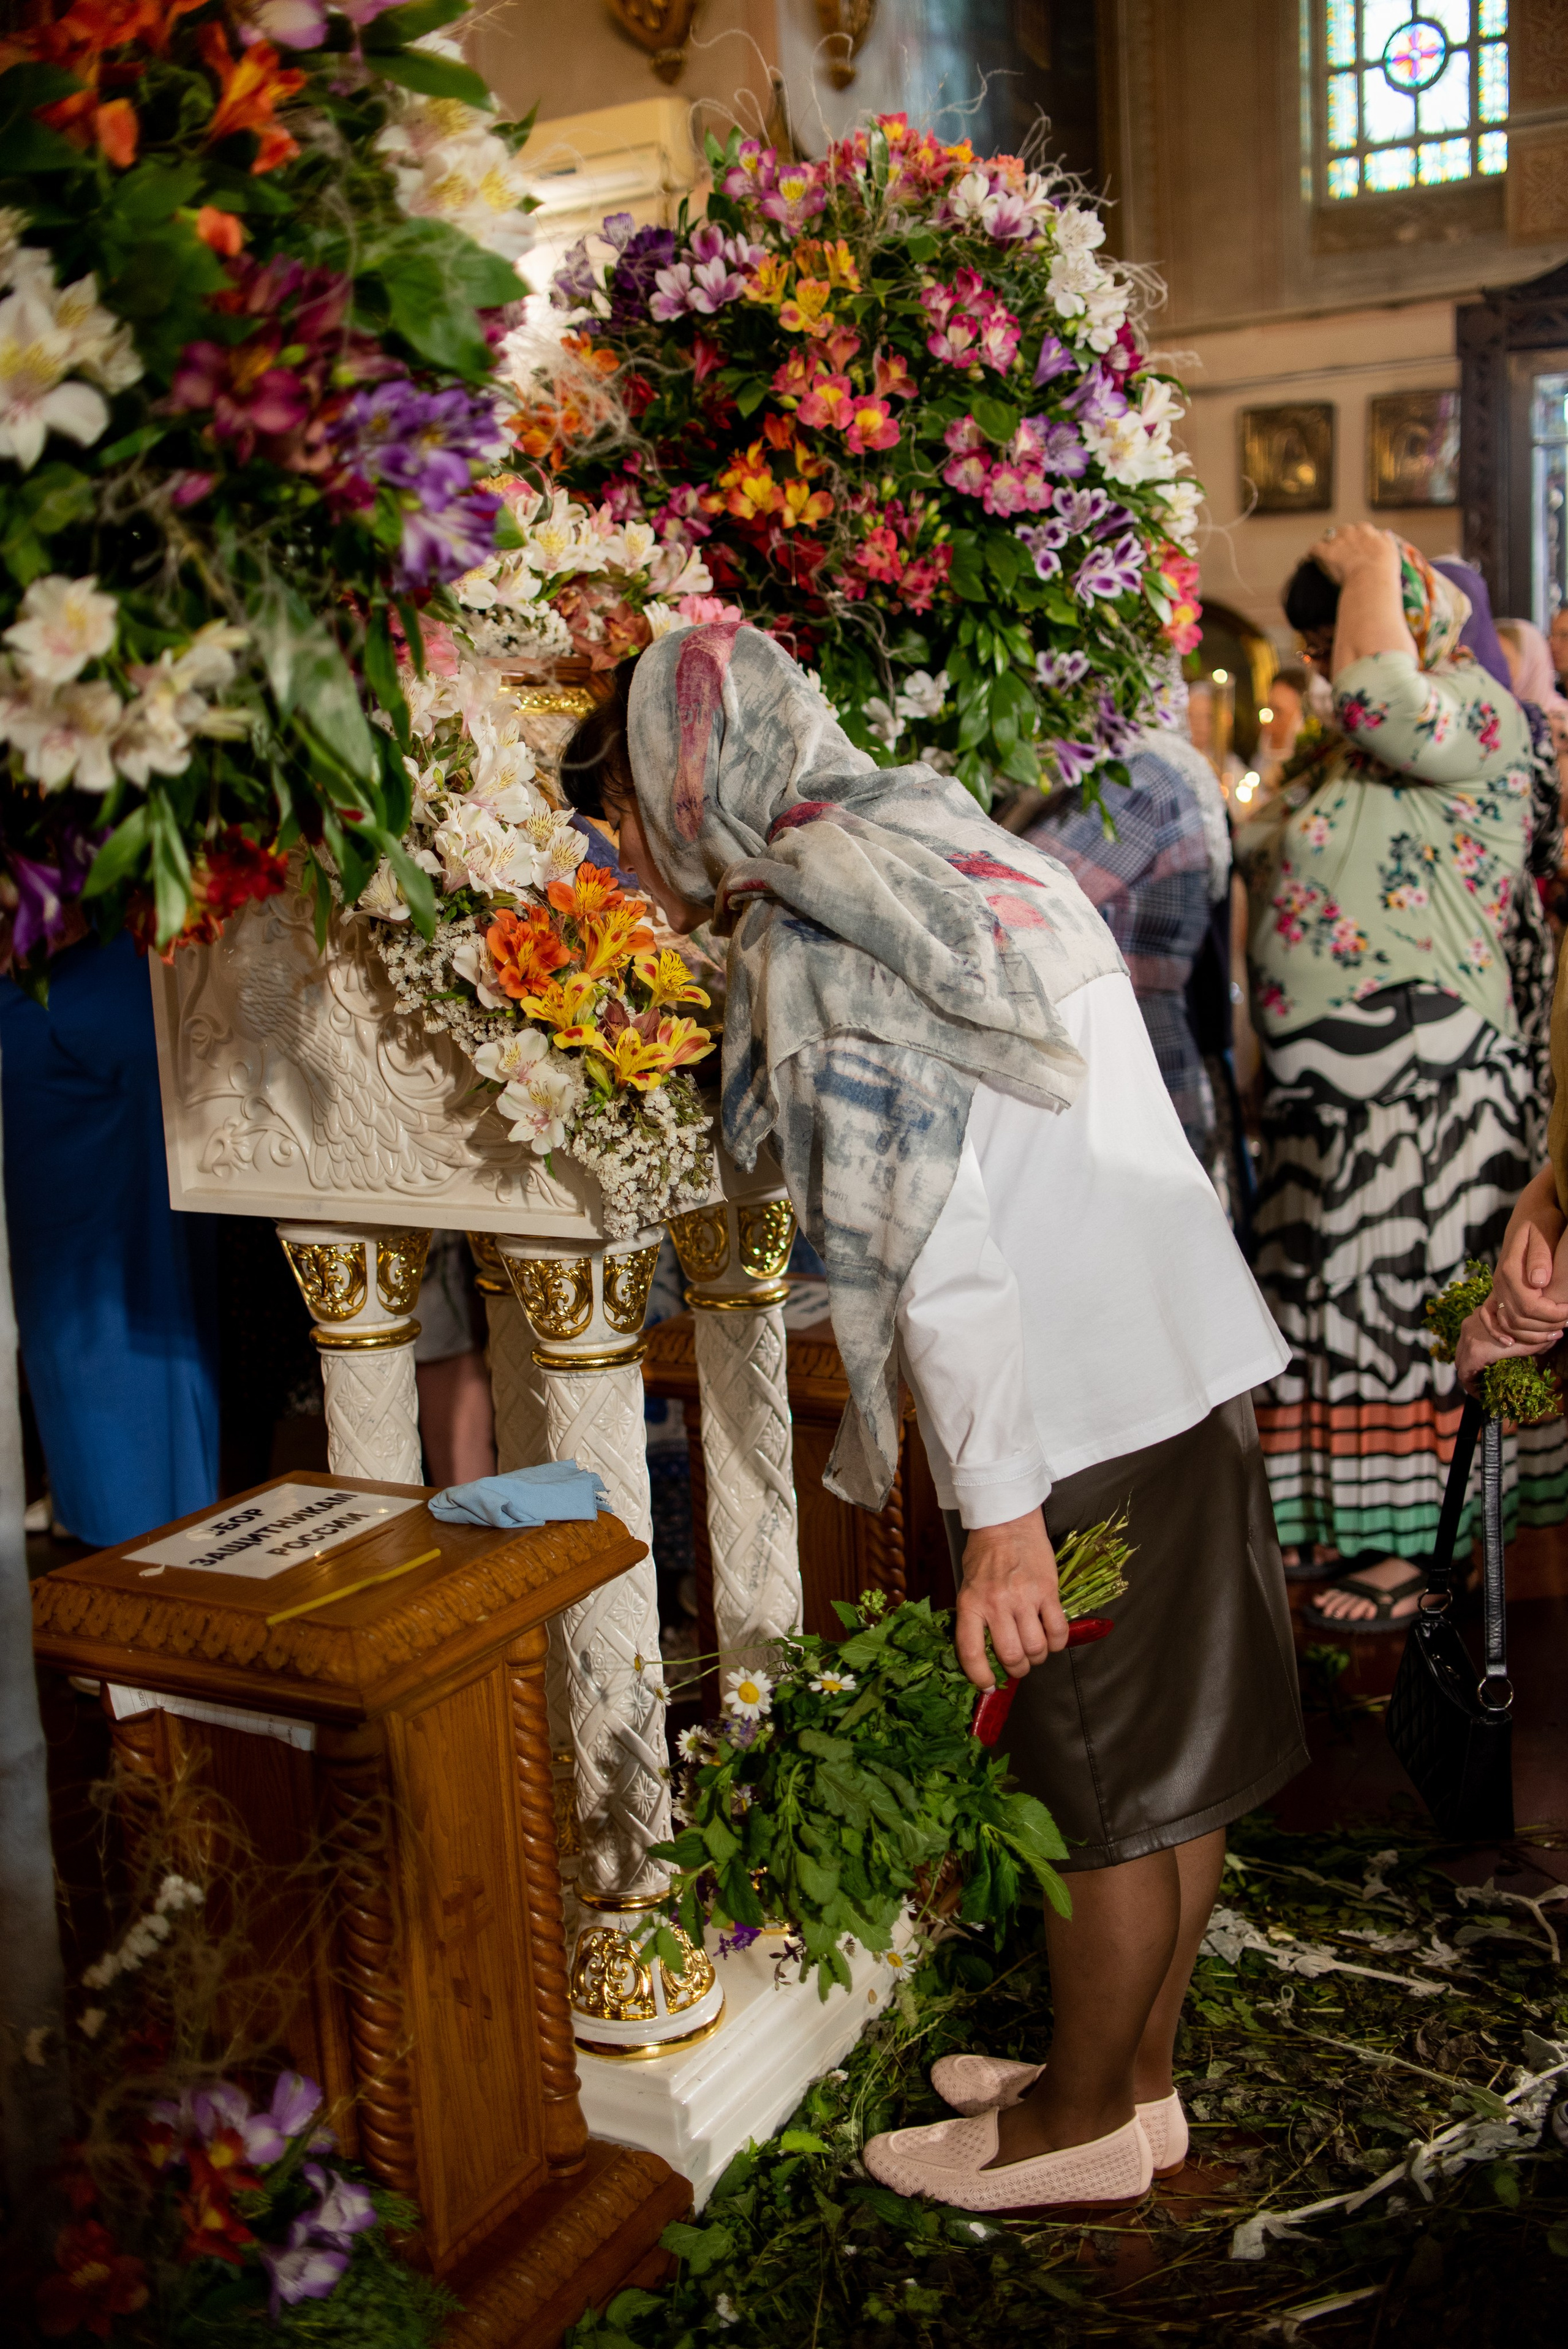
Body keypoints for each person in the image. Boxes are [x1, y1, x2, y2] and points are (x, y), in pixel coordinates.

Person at [559, 624, 1304, 2215]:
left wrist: (1002, 1520)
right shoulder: (943, 834)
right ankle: (1140, 2083)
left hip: (1078, 1403)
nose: (634, 846)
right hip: (1186, 1348)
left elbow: (939, 1246)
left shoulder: (818, 932)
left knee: (1094, 1798)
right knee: (1169, 1776)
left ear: (692, 783)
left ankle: (1076, 2129)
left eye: (628, 805)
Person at [1237, 527, 1568, 1632]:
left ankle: (1416, 1550)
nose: (1333, 658)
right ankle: (1350, 1520)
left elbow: (1384, 695)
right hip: (1325, 1099)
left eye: (1347, 629)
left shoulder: (1479, 710)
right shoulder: (1335, 749)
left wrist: (1376, 555)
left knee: (1405, 1311)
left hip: (1422, 1091)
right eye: (1321, 639)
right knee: (1332, 1311)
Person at [0, 932, 219, 1547]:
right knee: (67, 1294)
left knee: (142, 1281)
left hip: (125, 963)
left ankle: (158, 1542)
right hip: (62, 984)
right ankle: (129, 1540)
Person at [1025, 741, 1222, 1161]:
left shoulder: (1136, 781)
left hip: (1123, 1076)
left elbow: (1011, 896)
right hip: (1126, 1069)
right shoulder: (1136, 775)